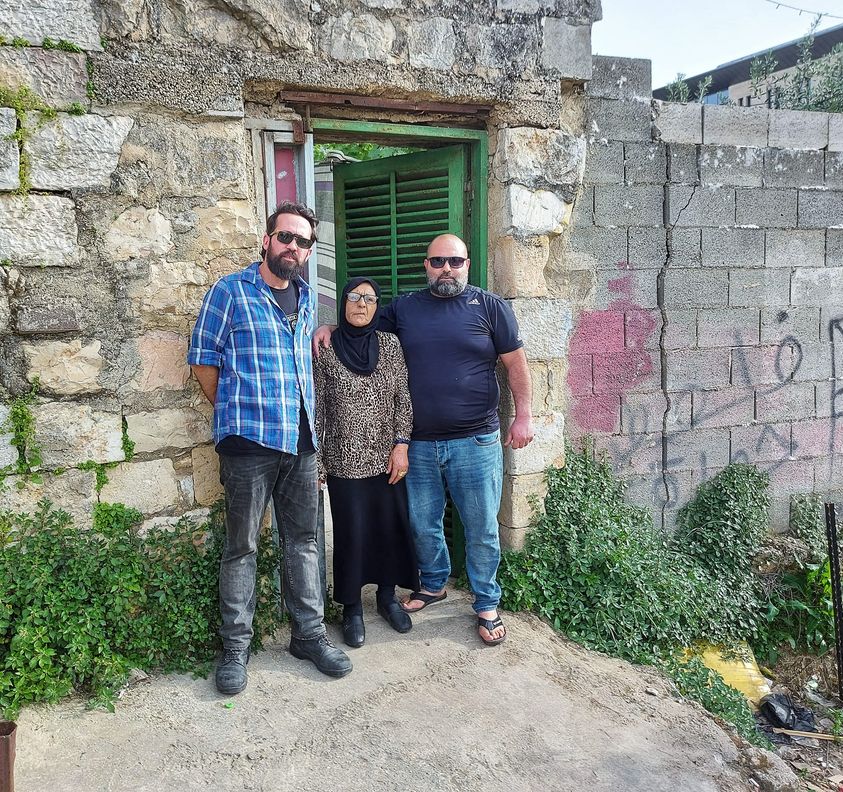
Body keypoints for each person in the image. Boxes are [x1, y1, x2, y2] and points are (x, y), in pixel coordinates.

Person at [315, 234, 534, 646]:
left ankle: (487, 602)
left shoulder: (490, 307)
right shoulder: (405, 308)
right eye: (437, 262)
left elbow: (516, 365)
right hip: (418, 443)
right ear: (426, 266)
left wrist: (523, 416)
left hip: (476, 441)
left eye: (454, 261)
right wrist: (329, 326)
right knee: (423, 523)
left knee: (481, 527)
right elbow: (360, 319)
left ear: (467, 264)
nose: (446, 268)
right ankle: (433, 583)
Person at [189, 200, 352, 695]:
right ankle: (235, 647)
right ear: (267, 240)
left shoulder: (307, 298)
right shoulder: (230, 291)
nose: (293, 247)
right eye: (285, 237)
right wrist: (234, 412)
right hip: (248, 444)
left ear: (309, 251)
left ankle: (308, 636)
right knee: (241, 546)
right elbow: (203, 359)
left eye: (303, 241)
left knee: (304, 541)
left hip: (301, 442)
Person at [315, 277, 419, 648]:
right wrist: (318, 461)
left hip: (386, 458)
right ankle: (352, 608)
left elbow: (403, 398)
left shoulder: (390, 344)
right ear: (343, 302)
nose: (362, 304)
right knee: (351, 534)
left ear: (377, 307)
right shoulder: (325, 348)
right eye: (355, 297)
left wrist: (401, 445)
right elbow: (318, 407)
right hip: (343, 460)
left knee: (387, 529)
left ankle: (387, 598)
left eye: (370, 299)